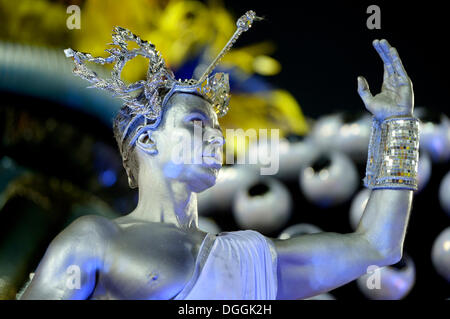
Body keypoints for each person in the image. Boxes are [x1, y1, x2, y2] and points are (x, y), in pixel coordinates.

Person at [19, 11, 419, 300]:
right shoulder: (94, 239)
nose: (215, 138)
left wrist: (398, 125)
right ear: (147, 141)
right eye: (196, 124)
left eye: (216, 128)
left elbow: (376, 246)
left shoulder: (251, 257)